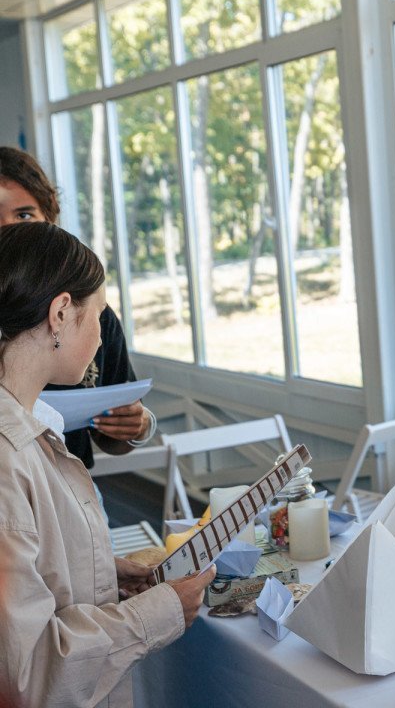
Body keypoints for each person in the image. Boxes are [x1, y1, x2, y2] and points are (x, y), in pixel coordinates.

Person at [0, 222, 214, 707]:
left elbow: (31, 572)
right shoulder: (9, 455)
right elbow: (27, 671)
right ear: (60, 313)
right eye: (98, 313)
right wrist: (161, 610)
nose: (102, 336)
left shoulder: (27, 430)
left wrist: (97, 571)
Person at [0, 146, 154, 471]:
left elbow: (114, 429)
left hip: (72, 488)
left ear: (50, 220)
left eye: (24, 215)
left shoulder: (92, 314)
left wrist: (134, 426)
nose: (9, 228)